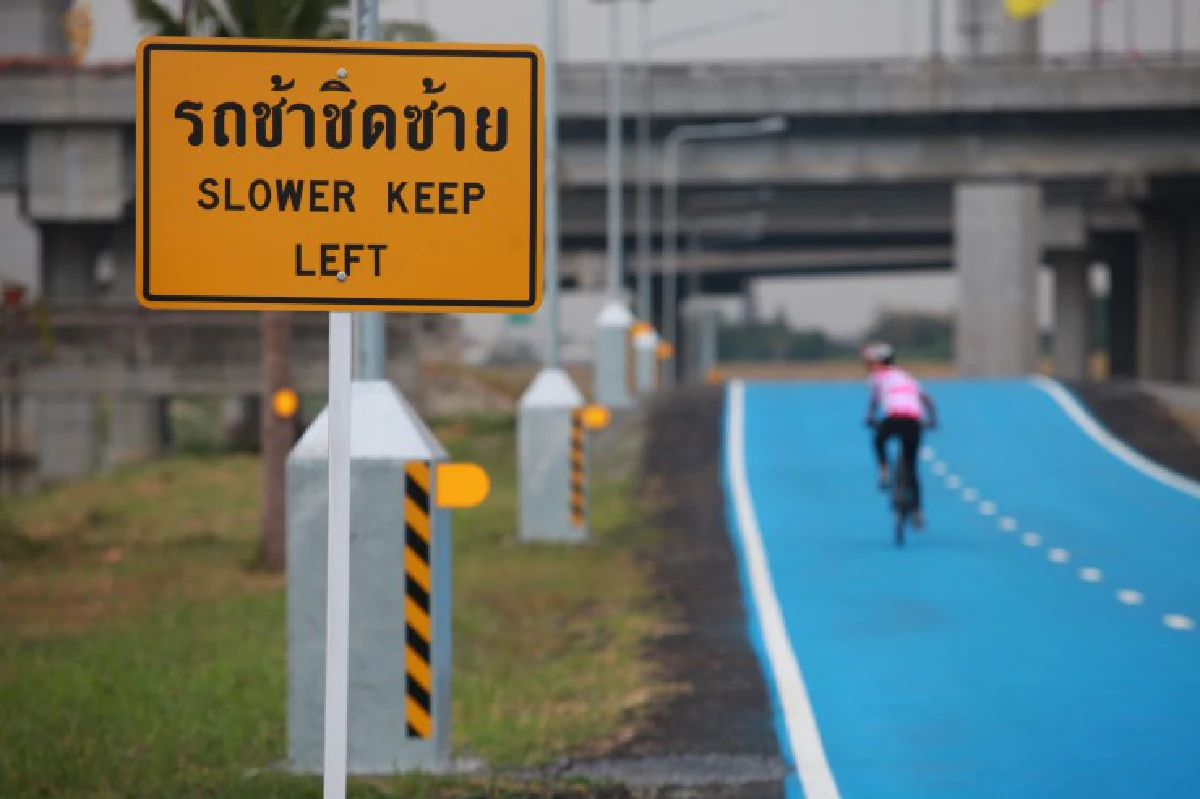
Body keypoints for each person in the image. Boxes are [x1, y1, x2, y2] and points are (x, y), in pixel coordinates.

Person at [862, 342, 938, 529]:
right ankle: (918, 511)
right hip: (913, 420)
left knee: (879, 439)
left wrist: (870, 417)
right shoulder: (906, 376)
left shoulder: (876, 377)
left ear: (879, 362)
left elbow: (874, 401)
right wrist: (932, 419)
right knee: (912, 467)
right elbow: (927, 399)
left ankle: (884, 468)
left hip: (894, 417)